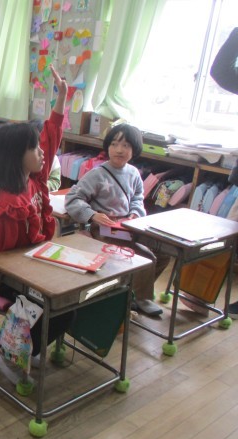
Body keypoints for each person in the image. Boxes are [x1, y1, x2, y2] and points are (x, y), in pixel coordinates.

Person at [0, 65, 73, 392]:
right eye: (34, 149)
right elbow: (0, 258)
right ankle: (9, 356)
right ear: (18, 157)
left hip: (33, 264)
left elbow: (51, 134)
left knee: (70, 301)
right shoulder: (9, 205)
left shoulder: (35, 178)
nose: (42, 153)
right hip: (3, 272)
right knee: (47, 302)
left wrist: (61, 97)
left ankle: (27, 348)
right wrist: (37, 271)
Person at [64, 123, 170, 316]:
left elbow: (137, 198)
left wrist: (135, 213)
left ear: (134, 149)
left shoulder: (134, 173)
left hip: (129, 228)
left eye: (126, 145)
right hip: (104, 231)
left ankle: (134, 293)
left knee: (164, 252)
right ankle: (137, 298)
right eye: (114, 144)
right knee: (145, 257)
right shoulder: (97, 174)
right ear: (107, 147)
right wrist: (92, 215)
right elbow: (72, 198)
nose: (119, 150)